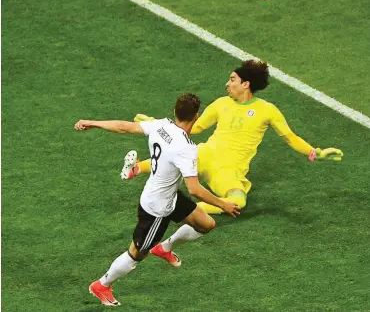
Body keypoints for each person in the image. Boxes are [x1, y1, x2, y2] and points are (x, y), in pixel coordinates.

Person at [74, 93, 240, 307]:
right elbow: (195, 189)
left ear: (174, 112)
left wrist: (92, 122)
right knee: (137, 253)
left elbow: (124, 126)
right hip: (157, 209)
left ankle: (165, 247)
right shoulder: (187, 148)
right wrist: (223, 203)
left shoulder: (161, 125)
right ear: (196, 117)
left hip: (168, 195)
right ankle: (101, 285)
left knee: (206, 224)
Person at [122, 60, 343, 215]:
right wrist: (153, 122)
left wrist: (316, 152)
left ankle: (192, 209)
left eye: (232, 79)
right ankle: (134, 169)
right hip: (207, 154)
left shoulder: (268, 110)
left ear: (246, 84)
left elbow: (290, 137)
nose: (227, 84)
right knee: (176, 156)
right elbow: (194, 127)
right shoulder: (221, 103)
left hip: (228, 171)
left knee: (238, 201)